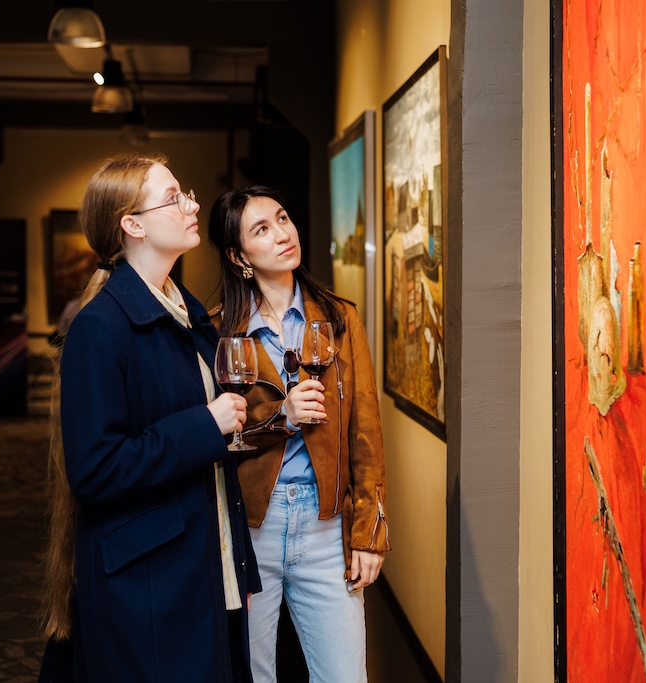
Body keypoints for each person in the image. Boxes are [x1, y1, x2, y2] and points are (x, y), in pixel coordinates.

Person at [40, 153, 261, 682]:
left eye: (186, 194)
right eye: (173, 198)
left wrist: (239, 569)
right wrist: (206, 425)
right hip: (149, 587)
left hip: (203, 571)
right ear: (133, 226)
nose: (192, 206)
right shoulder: (100, 327)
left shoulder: (188, 314)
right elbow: (95, 470)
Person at [208, 186, 391, 683]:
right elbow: (216, 434)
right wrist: (282, 416)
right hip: (251, 526)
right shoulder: (219, 331)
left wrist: (369, 533)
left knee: (345, 676)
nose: (282, 233)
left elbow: (366, 433)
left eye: (283, 218)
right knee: (252, 675)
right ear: (239, 256)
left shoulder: (339, 319)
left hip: (326, 526)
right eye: (261, 229)